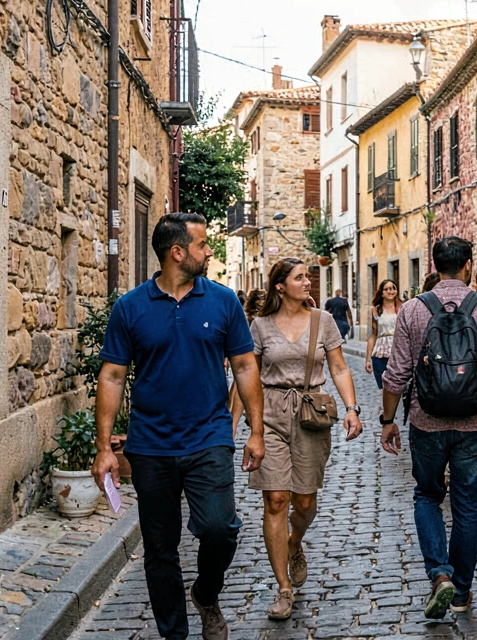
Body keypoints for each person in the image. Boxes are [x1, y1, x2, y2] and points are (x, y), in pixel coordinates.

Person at [92, 212, 265, 640]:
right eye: (203, 245)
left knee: (220, 528)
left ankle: (207, 592)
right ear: (177, 252)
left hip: (209, 436)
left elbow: (245, 366)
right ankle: (175, 634)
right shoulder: (130, 307)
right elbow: (112, 376)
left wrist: (256, 432)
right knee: (160, 549)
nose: (209, 252)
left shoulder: (223, 301)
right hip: (150, 446)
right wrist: (104, 448)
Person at [380, 237, 477, 620]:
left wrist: (388, 420)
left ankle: (439, 574)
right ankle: (460, 590)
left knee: (427, 495)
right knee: (467, 505)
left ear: (435, 265)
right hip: (473, 422)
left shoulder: (413, 309)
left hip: (425, 421)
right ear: (467, 266)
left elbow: (396, 374)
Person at [229, 259, 363, 620]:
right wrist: (231, 426)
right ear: (280, 286)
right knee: (275, 499)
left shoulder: (323, 321)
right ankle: (283, 588)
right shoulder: (259, 326)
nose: (308, 282)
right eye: (300, 277)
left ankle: (294, 541)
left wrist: (352, 408)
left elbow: (338, 367)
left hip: (310, 414)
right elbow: (245, 376)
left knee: (304, 503)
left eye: (308, 276)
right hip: (269, 412)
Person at [364, 279, 402, 390]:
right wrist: (367, 359)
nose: (391, 291)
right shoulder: (376, 310)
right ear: (382, 292)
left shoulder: (403, 308)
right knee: (384, 388)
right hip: (380, 353)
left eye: (393, 288)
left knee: (399, 386)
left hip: (398, 352)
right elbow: (373, 335)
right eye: (387, 289)